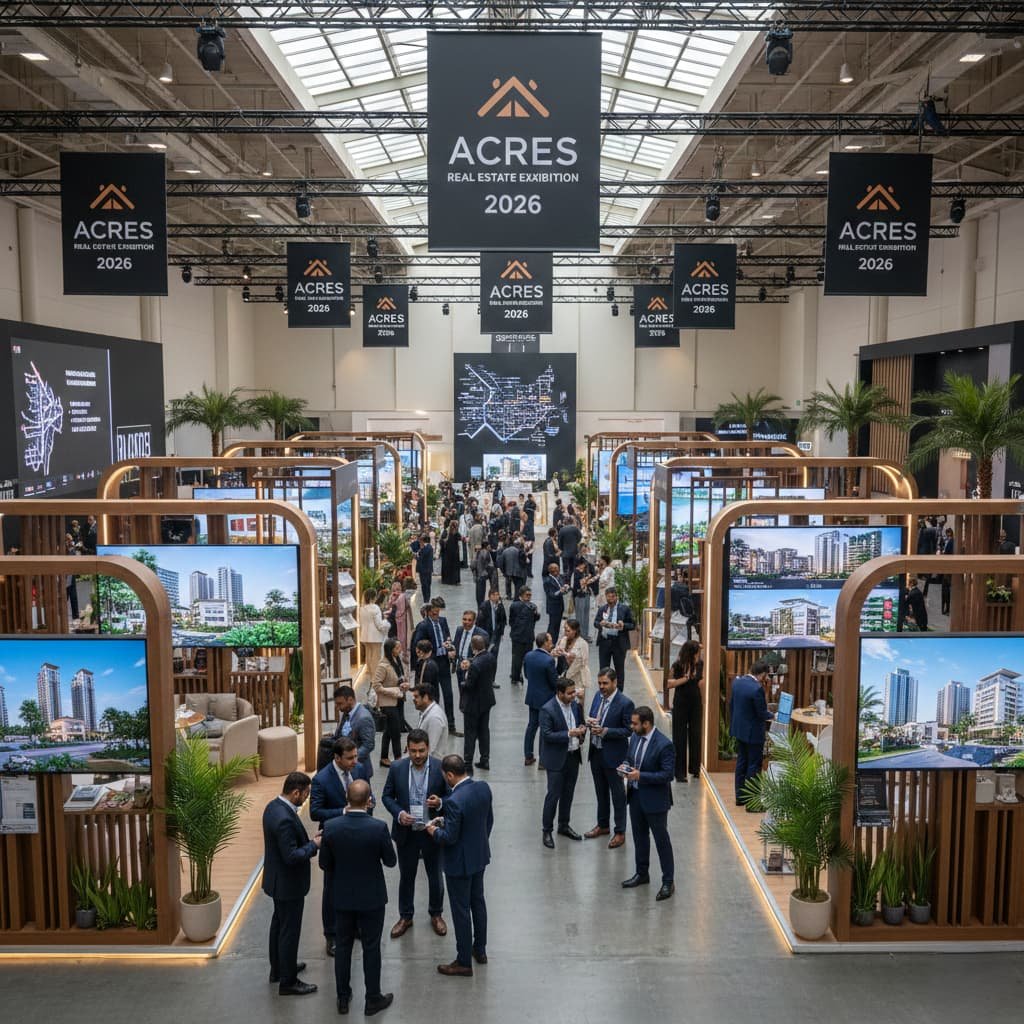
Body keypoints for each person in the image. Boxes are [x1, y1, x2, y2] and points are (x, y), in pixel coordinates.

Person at [319, 780, 396, 1017]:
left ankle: (343, 998)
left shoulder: (331, 827)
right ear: (369, 800)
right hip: (371, 898)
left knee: (342, 947)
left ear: (346, 798)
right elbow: (391, 861)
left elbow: (324, 864)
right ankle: (373, 998)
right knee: (371, 948)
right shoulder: (379, 827)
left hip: (341, 897)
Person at [427, 755, 494, 977]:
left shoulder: (455, 801)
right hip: (479, 856)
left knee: (461, 911)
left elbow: (450, 837)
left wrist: (434, 830)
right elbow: (487, 821)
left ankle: (464, 961)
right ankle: (480, 949)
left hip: (459, 863)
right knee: (478, 902)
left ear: (449, 775)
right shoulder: (483, 788)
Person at [381, 728, 447, 939]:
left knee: (435, 875)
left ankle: (436, 914)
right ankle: (405, 916)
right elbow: (386, 796)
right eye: (413, 751)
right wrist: (399, 813)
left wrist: (440, 803)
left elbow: (452, 796)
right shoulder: (397, 767)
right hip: (406, 833)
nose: (417, 756)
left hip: (431, 831)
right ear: (407, 749)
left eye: (421, 751)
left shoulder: (440, 768)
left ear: (428, 748)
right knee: (406, 876)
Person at [310, 737, 373, 956]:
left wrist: (367, 804)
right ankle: (332, 934)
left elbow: (368, 795)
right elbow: (315, 812)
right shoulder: (321, 779)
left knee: (357, 882)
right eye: (350, 758)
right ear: (337, 758)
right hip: (335, 840)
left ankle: (354, 926)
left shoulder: (361, 769)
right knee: (332, 888)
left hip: (360, 837)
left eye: (356, 756)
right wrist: (344, 812)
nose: (355, 761)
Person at [262, 772, 321, 996]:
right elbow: (292, 856)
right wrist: (314, 845)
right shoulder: (285, 818)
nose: (306, 799)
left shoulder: (272, 807)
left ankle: (279, 968)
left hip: (277, 882)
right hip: (288, 885)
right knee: (289, 931)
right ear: (296, 792)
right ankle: (288, 981)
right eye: (305, 794)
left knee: (278, 925)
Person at [622, 707, 676, 901]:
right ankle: (642, 873)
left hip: (655, 801)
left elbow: (667, 774)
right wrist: (625, 767)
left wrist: (640, 776)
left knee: (661, 841)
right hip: (635, 796)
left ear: (647, 723)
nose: (632, 726)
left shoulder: (664, 745)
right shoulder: (635, 737)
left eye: (635, 723)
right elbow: (630, 758)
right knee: (639, 837)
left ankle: (668, 881)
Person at [583, 668, 634, 848]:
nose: (602, 687)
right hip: (596, 752)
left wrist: (606, 731)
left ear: (615, 683)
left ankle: (620, 831)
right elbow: (593, 715)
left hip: (614, 756)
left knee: (618, 795)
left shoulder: (625, 703)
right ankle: (603, 825)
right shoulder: (598, 697)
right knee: (600, 791)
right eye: (599, 683)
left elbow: (629, 730)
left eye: (605, 683)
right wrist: (590, 723)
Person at [539, 678, 587, 848]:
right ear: (559, 693)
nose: (574, 695)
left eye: (574, 692)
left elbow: (580, 723)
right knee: (553, 795)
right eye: (570, 693)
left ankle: (564, 825)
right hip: (556, 759)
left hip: (573, 756)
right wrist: (569, 733)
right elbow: (547, 735)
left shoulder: (574, 705)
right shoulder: (547, 710)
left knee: (568, 793)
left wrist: (582, 731)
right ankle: (547, 830)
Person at [729, 659, 773, 809]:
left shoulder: (737, 682)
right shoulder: (756, 689)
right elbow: (761, 713)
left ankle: (740, 797)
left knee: (742, 762)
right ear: (762, 675)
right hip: (753, 733)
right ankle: (753, 803)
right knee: (754, 766)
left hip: (739, 730)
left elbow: (732, 706)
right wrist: (773, 715)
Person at [412, 601, 457, 736]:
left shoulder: (443, 621)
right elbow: (418, 643)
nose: (436, 614)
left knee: (448, 694)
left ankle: (451, 725)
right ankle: (433, 725)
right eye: (434, 612)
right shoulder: (424, 625)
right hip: (432, 663)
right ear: (429, 611)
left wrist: (449, 646)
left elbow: (447, 636)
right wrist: (433, 649)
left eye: (438, 611)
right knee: (433, 695)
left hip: (443, 663)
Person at [665, 640, 703, 783]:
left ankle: (695, 768)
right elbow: (669, 684)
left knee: (696, 734)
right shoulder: (678, 665)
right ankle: (679, 773)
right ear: (691, 653)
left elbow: (700, 681)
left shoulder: (700, 665)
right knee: (679, 736)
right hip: (681, 702)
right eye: (697, 653)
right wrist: (686, 678)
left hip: (696, 702)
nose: (699, 655)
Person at [462, 636, 497, 772]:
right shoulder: (490, 658)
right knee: (484, 731)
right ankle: (485, 759)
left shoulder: (475, 665)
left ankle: (468, 763)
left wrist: (464, 678)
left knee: (470, 733)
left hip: (473, 704)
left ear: (472, 647)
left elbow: (469, 685)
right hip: (486, 700)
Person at [523, 632, 558, 766]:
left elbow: (526, 674)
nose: (552, 643)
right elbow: (554, 682)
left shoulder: (529, 655)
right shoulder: (549, 660)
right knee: (545, 729)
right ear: (545, 643)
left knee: (531, 726)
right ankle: (543, 760)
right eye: (550, 641)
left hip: (532, 697)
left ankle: (528, 755)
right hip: (546, 699)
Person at [372, 638, 407, 769]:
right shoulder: (383, 666)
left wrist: (403, 684)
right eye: (398, 648)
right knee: (395, 731)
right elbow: (376, 685)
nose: (400, 650)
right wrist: (393, 691)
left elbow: (398, 677)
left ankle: (384, 757)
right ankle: (398, 760)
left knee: (388, 731)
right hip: (388, 703)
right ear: (391, 650)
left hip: (398, 700)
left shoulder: (397, 661)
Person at [594, 586, 635, 691]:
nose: (610, 599)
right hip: (604, 642)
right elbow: (595, 622)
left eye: (612, 596)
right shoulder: (602, 609)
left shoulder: (624, 608)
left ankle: (619, 692)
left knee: (619, 669)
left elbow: (633, 625)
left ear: (616, 597)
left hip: (619, 643)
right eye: (608, 597)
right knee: (603, 668)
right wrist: (601, 624)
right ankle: (603, 690)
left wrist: (623, 625)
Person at [333, 685, 376, 779]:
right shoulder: (346, 712)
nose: (338, 707)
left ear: (350, 700)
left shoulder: (364, 718)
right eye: (337, 704)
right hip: (346, 769)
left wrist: (349, 759)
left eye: (340, 704)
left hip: (359, 771)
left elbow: (369, 745)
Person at [554, 617, 590, 708]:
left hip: (578, 677)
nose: (565, 633)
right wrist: (555, 652)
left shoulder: (583, 644)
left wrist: (570, 657)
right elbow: (555, 651)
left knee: (577, 704)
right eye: (565, 630)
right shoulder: (563, 640)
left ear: (575, 631)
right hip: (564, 675)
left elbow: (583, 661)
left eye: (568, 631)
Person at [508, 585, 540, 686]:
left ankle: (517, 675)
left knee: (522, 657)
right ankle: (516, 676)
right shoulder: (518, 606)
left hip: (527, 636)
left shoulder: (531, 606)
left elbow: (534, 619)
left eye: (530, 595)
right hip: (519, 636)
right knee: (518, 658)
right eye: (527, 595)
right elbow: (512, 620)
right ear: (521, 595)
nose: (529, 597)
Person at [359, 589, 390, 679]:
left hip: (365, 635)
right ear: (374, 597)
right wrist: (386, 624)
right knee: (376, 656)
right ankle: (375, 676)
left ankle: (370, 673)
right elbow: (379, 625)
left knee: (369, 654)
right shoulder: (375, 608)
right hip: (375, 636)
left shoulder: (362, 609)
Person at [413, 682, 449, 755]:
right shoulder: (426, 712)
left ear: (425, 697)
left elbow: (430, 750)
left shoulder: (434, 718)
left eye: (416, 697)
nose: (413, 700)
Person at [571, 556, 598, 641]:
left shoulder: (584, 571)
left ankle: (585, 635)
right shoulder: (576, 572)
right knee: (580, 617)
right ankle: (579, 636)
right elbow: (579, 584)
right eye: (583, 564)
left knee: (586, 616)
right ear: (580, 564)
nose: (585, 566)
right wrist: (588, 577)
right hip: (579, 596)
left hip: (586, 595)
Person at [478, 587, 507, 663]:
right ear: (490, 596)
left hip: (496, 633)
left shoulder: (500, 605)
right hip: (487, 633)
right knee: (486, 652)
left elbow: (503, 619)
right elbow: (479, 622)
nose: (497, 596)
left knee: (495, 652)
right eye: (494, 595)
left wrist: (501, 632)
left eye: (497, 595)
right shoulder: (484, 606)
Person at [543, 561, 567, 641]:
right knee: (552, 626)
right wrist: (560, 591)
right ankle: (549, 641)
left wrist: (565, 589)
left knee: (557, 626)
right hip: (553, 607)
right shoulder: (547, 581)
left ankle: (554, 642)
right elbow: (551, 594)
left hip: (560, 606)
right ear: (553, 571)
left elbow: (562, 588)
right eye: (557, 570)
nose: (558, 571)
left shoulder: (559, 577)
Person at [473, 540, 496, 606]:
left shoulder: (478, 553)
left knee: (478, 595)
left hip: (478, 576)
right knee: (482, 594)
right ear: (487, 546)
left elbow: (473, 565)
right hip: (482, 575)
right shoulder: (486, 552)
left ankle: (479, 607)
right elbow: (489, 565)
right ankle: (481, 608)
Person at [441, 520, 462, 586]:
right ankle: (450, 580)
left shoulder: (455, 532)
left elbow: (459, 538)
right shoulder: (446, 531)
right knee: (450, 566)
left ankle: (454, 580)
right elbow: (441, 540)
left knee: (453, 567)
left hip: (453, 553)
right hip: (448, 553)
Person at [416, 532, 434, 603]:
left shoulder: (427, 548)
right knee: (426, 585)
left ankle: (426, 600)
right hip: (426, 569)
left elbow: (421, 558)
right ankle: (426, 599)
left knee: (425, 585)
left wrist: (416, 556)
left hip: (425, 569)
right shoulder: (428, 547)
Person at [941, 526, 955, 615]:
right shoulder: (953, 541)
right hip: (949, 569)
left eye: (947, 534)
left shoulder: (950, 542)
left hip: (948, 569)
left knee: (946, 591)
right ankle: (946, 609)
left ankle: (946, 609)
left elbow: (946, 553)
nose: (947, 536)